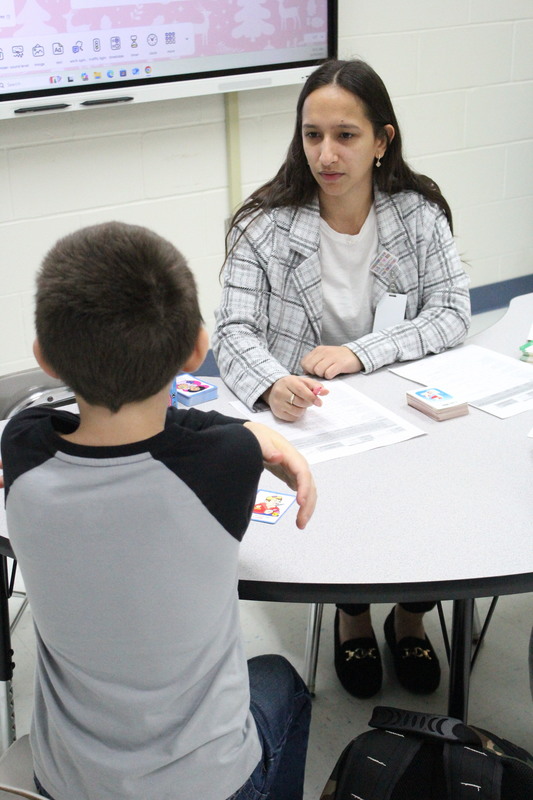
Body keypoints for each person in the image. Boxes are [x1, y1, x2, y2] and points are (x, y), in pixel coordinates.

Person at [0, 221, 316, 800]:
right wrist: (257, 432)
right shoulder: (225, 463)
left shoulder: (22, 448)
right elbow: (202, 433)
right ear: (198, 350)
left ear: (45, 357)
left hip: (68, 779)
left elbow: (61, 419)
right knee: (284, 683)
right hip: (208, 784)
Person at [212, 58, 471, 700]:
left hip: (399, 407)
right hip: (312, 416)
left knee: (435, 498)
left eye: (346, 135)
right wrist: (273, 383)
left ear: (382, 141)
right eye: (312, 134)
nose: (326, 154)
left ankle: (411, 616)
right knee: (344, 508)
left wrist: (362, 352)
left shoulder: (417, 213)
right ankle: (352, 617)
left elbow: (452, 311)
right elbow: (234, 331)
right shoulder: (262, 225)